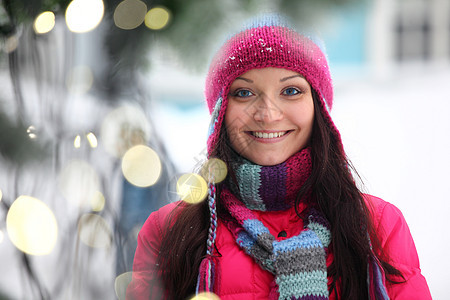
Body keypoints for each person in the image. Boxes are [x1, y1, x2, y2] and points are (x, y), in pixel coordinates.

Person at [126, 15, 431, 300]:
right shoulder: (169, 230)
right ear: (219, 112)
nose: (268, 114)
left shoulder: (377, 226)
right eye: (244, 93)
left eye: (291, 91)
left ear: (319, 108)